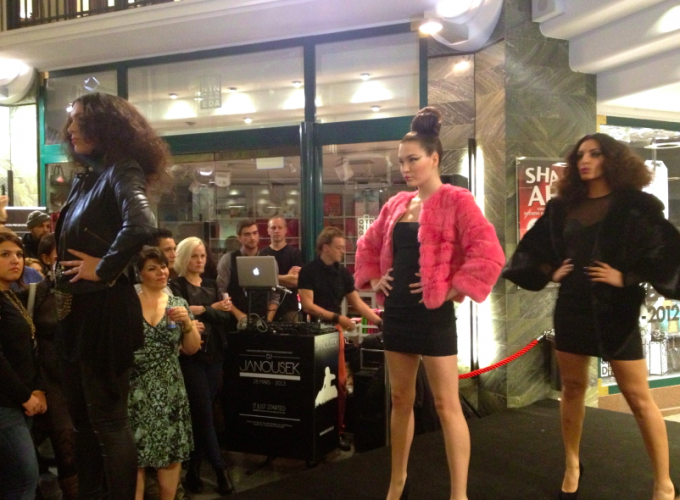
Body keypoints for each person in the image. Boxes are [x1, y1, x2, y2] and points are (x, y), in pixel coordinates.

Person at [503, 133, 680, 500]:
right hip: (572, 307)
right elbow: (530, 250)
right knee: (572, 388)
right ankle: (571, 464)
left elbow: (668, 252)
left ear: (612, 160)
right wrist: (549, 272)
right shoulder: (561, 208)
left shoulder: (636, 206)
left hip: (617, 312)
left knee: (638, 396)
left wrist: (626, 277)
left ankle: (663, 482)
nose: (585, 160)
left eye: (595, 154)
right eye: (580, 155)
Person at [354, 107, 504, 500]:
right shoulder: (396, 205)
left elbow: (489, 254)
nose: (405, 168)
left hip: (434, 314)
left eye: (413, 159)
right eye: (401, 161)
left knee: (445, 403)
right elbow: (367, 246)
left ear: (434, 158)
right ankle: (397, 482)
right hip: (398, 312)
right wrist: (374, 277)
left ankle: (459, 494)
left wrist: (452, 288)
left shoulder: (457, 200)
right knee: (400, 400)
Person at [55, 92, 168, 500]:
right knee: (86, 425)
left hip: (103, 313)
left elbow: (141, 224)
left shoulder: (122, 169)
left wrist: (102, 268)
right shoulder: (92, 176)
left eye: (79, 118)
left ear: (105, 126)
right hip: (80, 312)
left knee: (108, 424)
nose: (70, 128)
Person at [299, 226, 384, 452]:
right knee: (317, 384)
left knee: (340, 383)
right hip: (314, 330)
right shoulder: (308, 271)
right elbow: (307, 306)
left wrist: (379, 322)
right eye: (338, 247)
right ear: (324, 247)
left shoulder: (342, 273)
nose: (342, 251)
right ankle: (318, 430)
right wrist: (338, 318)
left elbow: (357, 303)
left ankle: (337, 430)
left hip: (333, 329)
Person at [130, 246, 200, 500]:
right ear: (140, 273)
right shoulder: (127, 303)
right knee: (134, 458)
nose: (161, 272)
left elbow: (192, 349)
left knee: (170, 455)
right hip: (135, 388)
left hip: (169, 387)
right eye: (152, 268)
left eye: (163, 266)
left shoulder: (177, 304)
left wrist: (188, 324)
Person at [170, 237, 235, 496]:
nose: (199, 260)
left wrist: (201, 310)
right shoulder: (176, 285)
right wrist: (209, 309)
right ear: (184, 257)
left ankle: (194, 472)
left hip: (215, 353)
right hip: (191, 356)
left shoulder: (211, 284)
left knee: (202, 414)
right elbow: (179, 314)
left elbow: (225, 316)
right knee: (205, 414)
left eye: (203, 256)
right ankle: (220, 470)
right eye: (194, 256)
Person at [27, 231, 79, 500]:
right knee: (64, 448)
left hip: (81, 376)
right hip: (48, 377)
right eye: (60, 255)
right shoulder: (36, 291)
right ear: (46, 258)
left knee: (85, 447)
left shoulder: (83, 288)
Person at [0, 232, 47, 500]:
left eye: (19, 254)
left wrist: (37, 389)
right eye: (5, 254)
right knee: (24, 480)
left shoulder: (11, 295)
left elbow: (28, 350)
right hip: (5, 403)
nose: (15, 260)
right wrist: (25, 396)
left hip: (19, 401)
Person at [217, 219, 279, 324]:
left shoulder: (269, 261)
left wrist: (268, 320)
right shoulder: (228, 260)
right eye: (247, 234)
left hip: (262, 319)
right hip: (233, 319)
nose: (252, 238)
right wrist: (239, 315)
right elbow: (221, 292)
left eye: (255, 233)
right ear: (239, 238)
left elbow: (275, 295)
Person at [259, 216, 303, 322]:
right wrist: (287, 277)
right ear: (268, 230)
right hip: (266, 308)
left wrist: (270, 278)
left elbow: (296, 281)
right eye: (273, 228)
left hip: (289, 308)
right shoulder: (262, 254)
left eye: (280, 227)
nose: (276, 230)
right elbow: (260, 281)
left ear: (285, 230)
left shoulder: (295, 254)